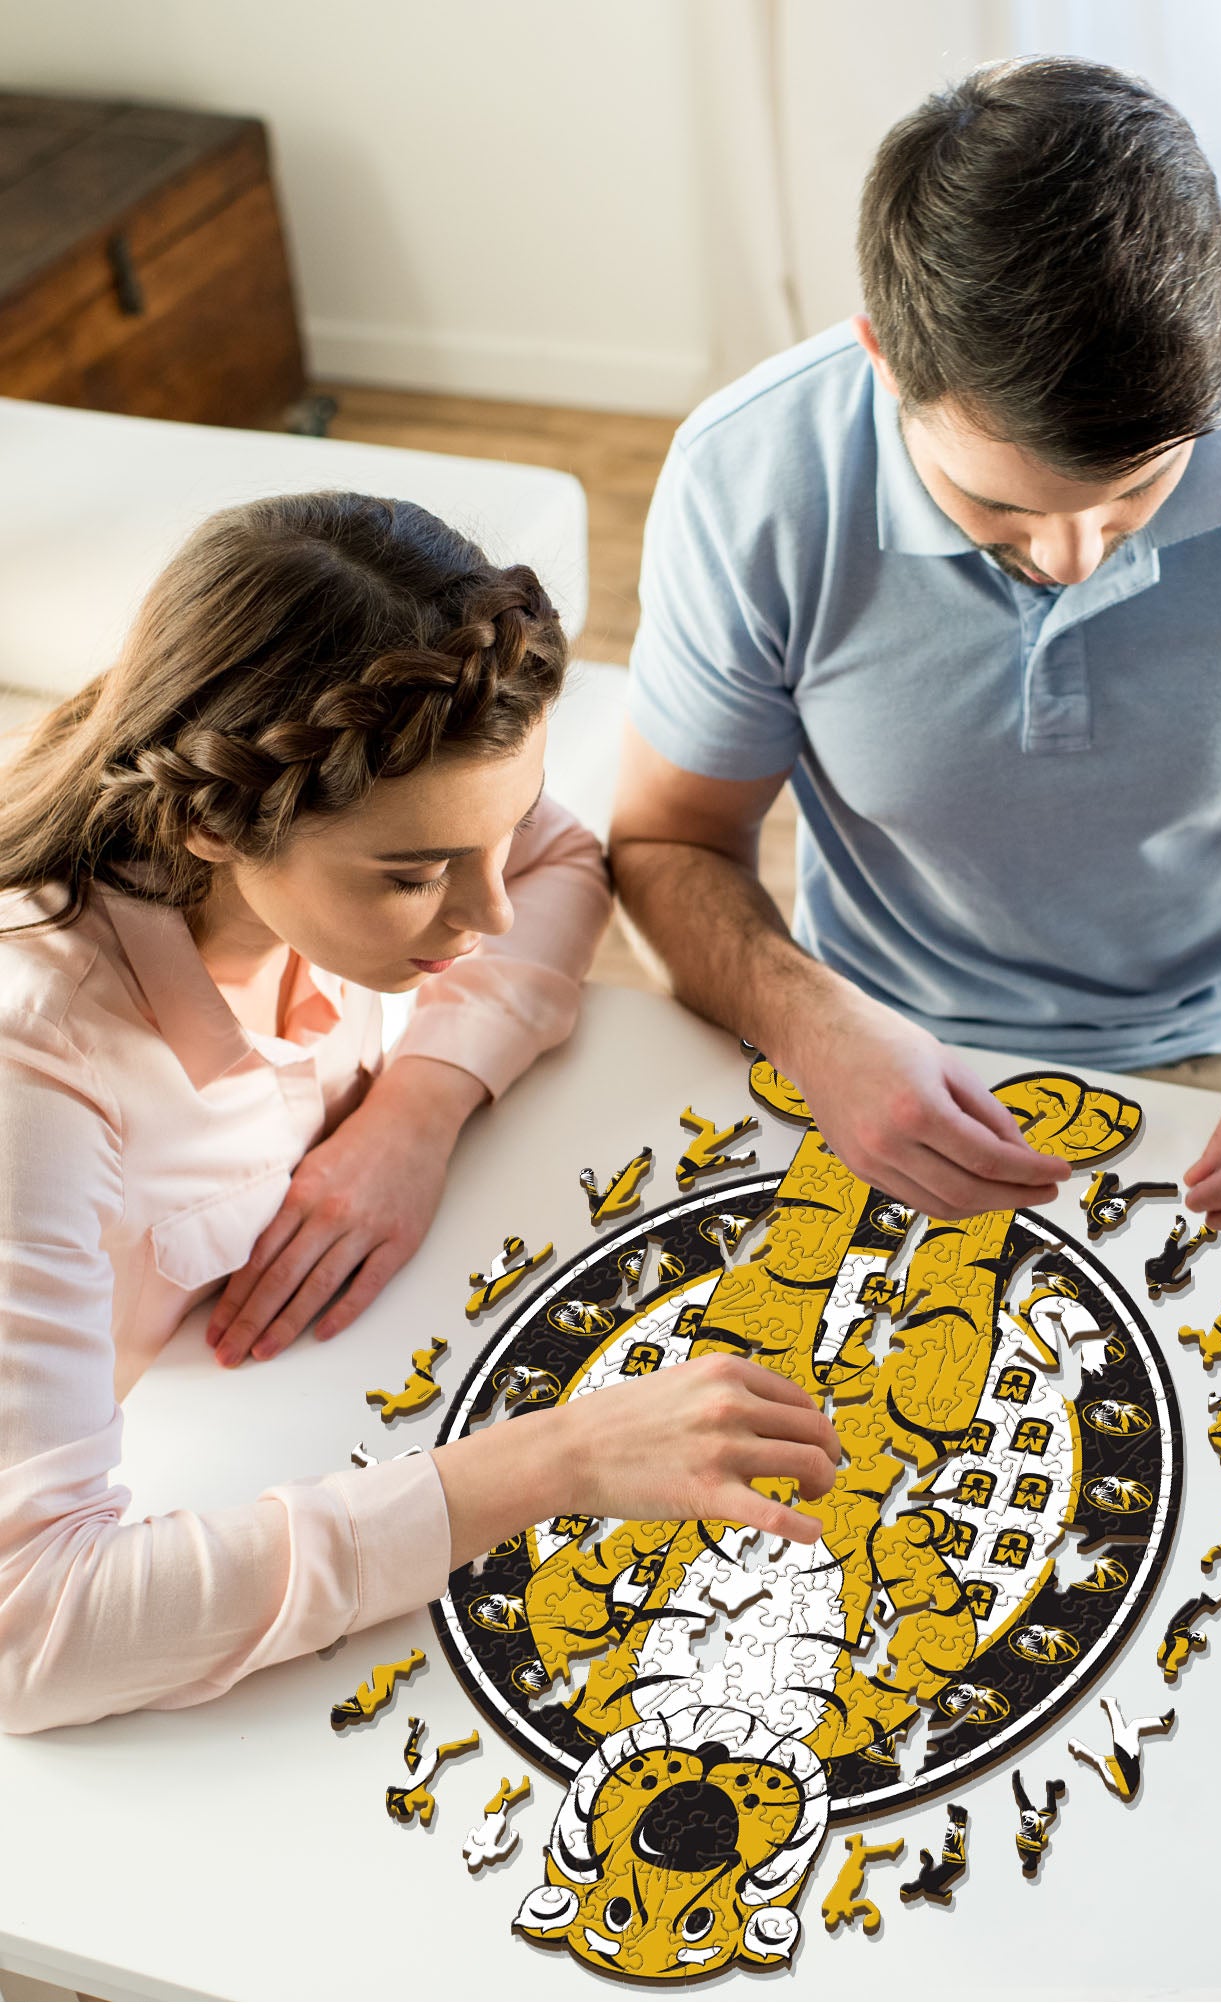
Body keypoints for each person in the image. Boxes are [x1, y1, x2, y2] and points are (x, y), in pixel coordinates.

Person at [610, 57, 1221, 1230]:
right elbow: (669, 841)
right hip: (871, 1045)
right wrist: (808, 1022)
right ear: (884, 361)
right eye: (998, 507)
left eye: (1136, 495)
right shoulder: (747, 480)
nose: (1073, 557)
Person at [0, 494, 839, 1733]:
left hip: (292, 1393)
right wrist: (562, 1460)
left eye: (498, 830)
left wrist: (418, 1105)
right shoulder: (36, 1073)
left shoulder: (330, 822)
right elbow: (33, 1630)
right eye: (413, 876)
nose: (487, 915)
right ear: (209, 823)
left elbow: (558, 862)